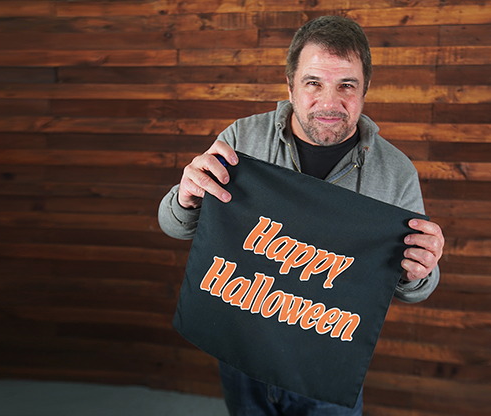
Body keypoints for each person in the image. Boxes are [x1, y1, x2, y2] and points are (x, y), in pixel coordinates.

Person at [158, 15, 444, 416]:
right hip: (242, 350)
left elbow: (413, 288)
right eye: (313, 83)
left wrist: (420, 271)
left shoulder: (397, 174)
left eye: (346, 86)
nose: (329, 103)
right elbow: (175, 226)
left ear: (365, 90)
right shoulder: (242, 140)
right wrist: (186, 197)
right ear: (290, 85)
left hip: (326, 365)